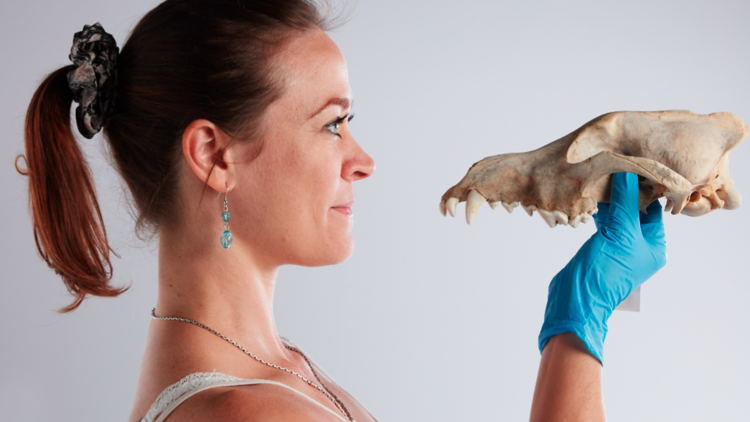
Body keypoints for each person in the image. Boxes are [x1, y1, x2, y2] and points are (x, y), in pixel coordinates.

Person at [18, 0, 666, 421]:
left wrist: (580, 320)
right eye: (333, 124)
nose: (363, 160)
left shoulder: (274, 371)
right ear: (215, 155)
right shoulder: (243, 413)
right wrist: (579, 325)